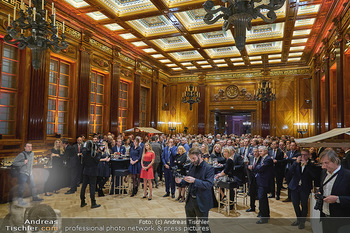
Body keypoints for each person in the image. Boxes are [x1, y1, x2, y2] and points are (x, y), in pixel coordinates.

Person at [175, 148, 214, 233]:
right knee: (191, 226)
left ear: (200, 156)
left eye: (194, 158)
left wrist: (195, 180)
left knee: (204, 227)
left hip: (202, 201)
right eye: (191, 158)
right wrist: (181, 181)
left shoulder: (209, 168)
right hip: (190, 201)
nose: (192, 161)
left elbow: (209, 184)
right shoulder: (193, 165)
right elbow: (189, 180)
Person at [318, 149, 350, 233]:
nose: (323, 166)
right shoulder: (324, 172)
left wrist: (337, 199)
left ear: (335, 160)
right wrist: (319, 193)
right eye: (322, 163)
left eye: (326, 163)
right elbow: (322, 188)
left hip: (341, 220)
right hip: (325, 216)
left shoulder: (347, 175)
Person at [288, 149, 317, 229]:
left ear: (308, 156)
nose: (303, 156)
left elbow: (314, 175)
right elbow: (289, 172)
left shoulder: (311, 164)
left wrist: (307, 165)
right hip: (294, 186)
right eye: (301, 155)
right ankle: (298, 219)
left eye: (305, 155)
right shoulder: (296, 163)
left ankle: (302, 222)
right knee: (295, 204)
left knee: (304, 205)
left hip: (305, 188)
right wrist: (295, 163)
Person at [253, 146, 273, 224]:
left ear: (265, 151)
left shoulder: (268, 159)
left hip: (264, 182)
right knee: (262, 199)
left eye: (261, 151)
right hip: (260, 181)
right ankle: (264, 214)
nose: (259, 152)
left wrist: (256, 167)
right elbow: (258, 167)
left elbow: (261, 168)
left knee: (262, 199)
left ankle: (264, 218)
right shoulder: (262, 158)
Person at [80, 136, 101, 208]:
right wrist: (99, 153)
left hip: (85, 170)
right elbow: (97, 161)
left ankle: (82, 201)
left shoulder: (84, 152)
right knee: (92, 187)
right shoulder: (93, 153)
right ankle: (93, 203)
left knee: (84, 186)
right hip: (93, 171)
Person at [247, 148, 260, 212]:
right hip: (252, 178)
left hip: (259, 178)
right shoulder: (251, 157)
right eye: (254, 152)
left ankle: (261, 209)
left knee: (259, 194)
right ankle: (252, 207)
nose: (255, 153)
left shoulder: (261, 159)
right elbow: (250, 164)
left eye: (256, 152)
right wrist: (249, 166)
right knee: (252, 193)